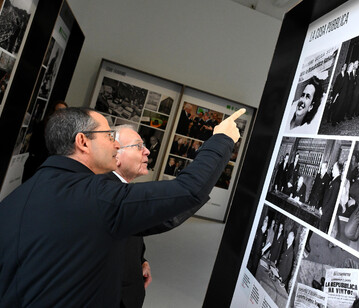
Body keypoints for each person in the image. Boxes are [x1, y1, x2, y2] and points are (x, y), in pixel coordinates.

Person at [0, 107, 244, 306]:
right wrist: (222, 139)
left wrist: (133, 261)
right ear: (83, 141)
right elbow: (187, 189)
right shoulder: (97, 196)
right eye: (108, 137)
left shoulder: (17, 197)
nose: (115, 146)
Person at [109, 125, 153, 308]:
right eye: (138, 146)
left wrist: (140, 261)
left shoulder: (122, 190)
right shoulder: (110, 194)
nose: (147, 151)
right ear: (116, 154)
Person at [22, 100, 68, 182]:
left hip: (50, 169)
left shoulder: (65, 130)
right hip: (35, 166)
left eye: (63, 111)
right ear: (53, 111)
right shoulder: (42, 125)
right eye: (58, 110)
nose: (61, 113)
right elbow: (34, 146)